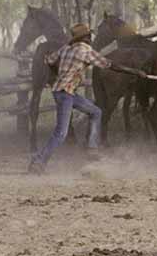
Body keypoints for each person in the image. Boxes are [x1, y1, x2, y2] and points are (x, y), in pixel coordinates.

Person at [29, 23, 143, 174]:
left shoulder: (65, 48)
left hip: (62, 91)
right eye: (90, 35)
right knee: (61, 133)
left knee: (96, 112)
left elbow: (49, 60)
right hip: (66, 94)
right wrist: (134, 71)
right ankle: (39, 162)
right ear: (86, 37)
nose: (91, 38)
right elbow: (109, 65)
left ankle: (92, 147)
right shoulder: (85, 51)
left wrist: (58, 74)